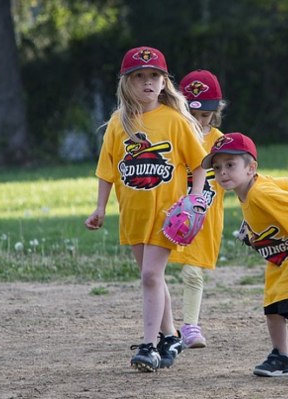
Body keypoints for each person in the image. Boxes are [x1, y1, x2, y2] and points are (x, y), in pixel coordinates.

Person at [84, 46, 207, 372]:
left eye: (154, 75)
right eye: (139, 76)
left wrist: (194, 200)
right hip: (134, 215)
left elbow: (199, 166)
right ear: (126, 83)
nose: (148, 82)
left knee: (151, 275)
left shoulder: (175, 120)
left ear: (165, 82)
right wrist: (100, 208)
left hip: (168, 216)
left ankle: (149, 346)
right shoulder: (118, 123)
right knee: (152, 277)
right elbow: (106, 170)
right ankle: (170, 337)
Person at [201, 132, 288, 377]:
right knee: (272, 305)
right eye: (217, 167)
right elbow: (286, 181)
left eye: (230, 165)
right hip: (278, 258)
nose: (222, 172)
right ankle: (280, 357)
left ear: (250, 168)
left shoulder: (260, 193)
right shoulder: (255, 185)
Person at [168, 69, 227, 348]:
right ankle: (164, 326)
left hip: (203, 218)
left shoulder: (219, 141)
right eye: (193, 114)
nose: (199, 120)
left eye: (205, 115)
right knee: (154, 272)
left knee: (193, 272)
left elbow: (238, 176)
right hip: (169, 214)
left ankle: (190, 326)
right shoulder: (173, 134)